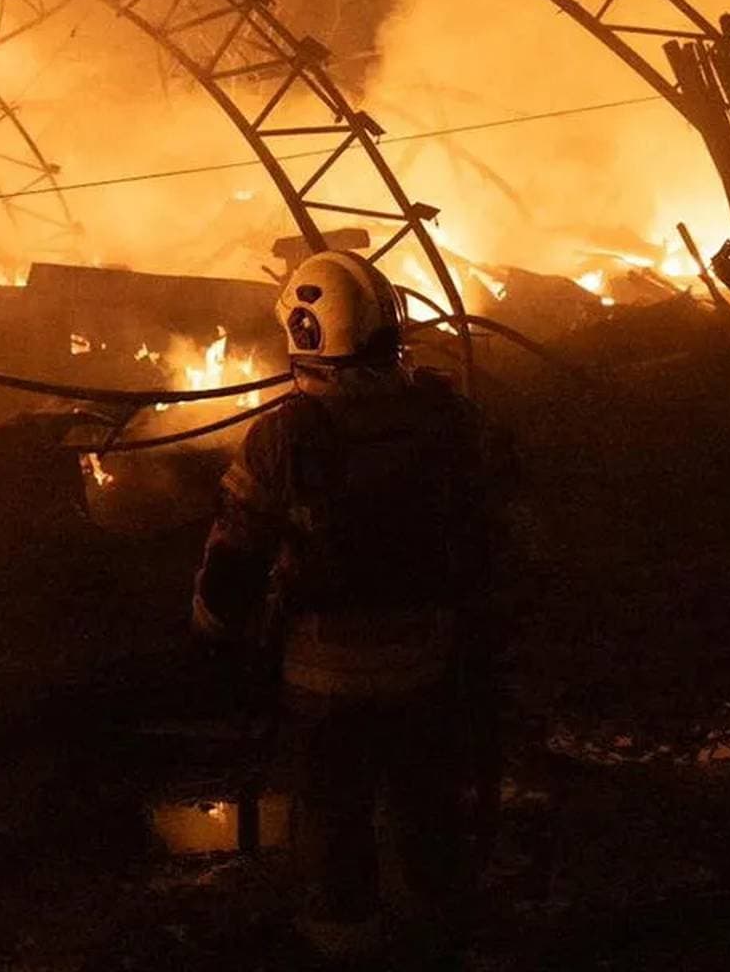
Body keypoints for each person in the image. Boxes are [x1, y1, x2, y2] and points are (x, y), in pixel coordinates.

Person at [191, 250, 505, 964]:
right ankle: (438, 940)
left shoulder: (285, 436)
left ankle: (346, 945)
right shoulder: (448, 418)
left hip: (324, 679)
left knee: (333, 824)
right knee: (429, 810)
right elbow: (492, 528)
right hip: (430, 666)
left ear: (306, 332)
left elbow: (234, 558)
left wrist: (211, 634)